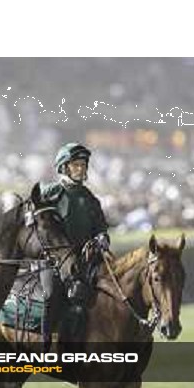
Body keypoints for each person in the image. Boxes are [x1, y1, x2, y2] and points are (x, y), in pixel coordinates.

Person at [39, 142, 110, 338]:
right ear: (64, 167)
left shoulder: (90, 198)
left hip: (87, 262)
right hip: (55, 261)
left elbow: (101, 228)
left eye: (83, 165)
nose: (81, 169)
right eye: (76, 165)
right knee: (51, 294)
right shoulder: (50, 193)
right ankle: (45, 345)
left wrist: (102, 238)